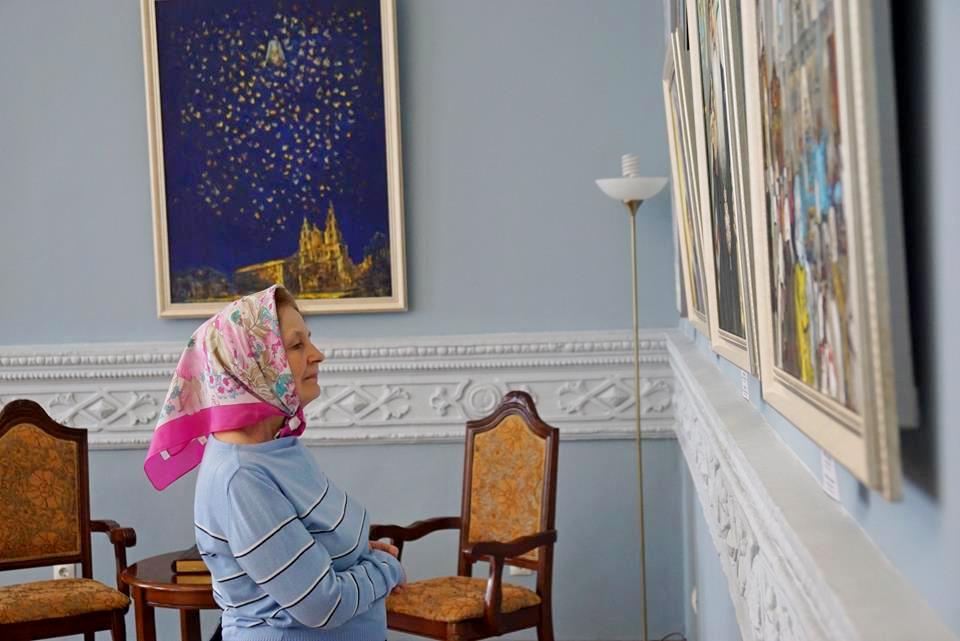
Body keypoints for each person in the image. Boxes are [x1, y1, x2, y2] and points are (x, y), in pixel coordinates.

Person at [144, 285, 405, 640]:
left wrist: (357, 553)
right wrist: (386, 568)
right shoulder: (241, 477)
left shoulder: (277, 447)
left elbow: (308, 547)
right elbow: (323, 605)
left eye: (308, 341)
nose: (317, 355)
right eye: (297, 346)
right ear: (251, 364)